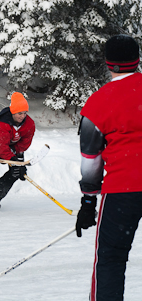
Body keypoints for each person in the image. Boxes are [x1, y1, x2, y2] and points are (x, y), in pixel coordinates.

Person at [75, 34, 142, 301]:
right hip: (124, 188)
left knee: (111, 258)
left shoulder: (99, 103)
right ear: (137, 61)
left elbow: (91, 160)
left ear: (108, 64)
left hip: (122, 190)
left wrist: (89, 202)